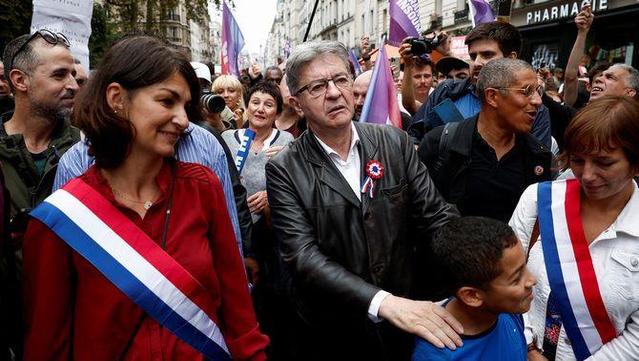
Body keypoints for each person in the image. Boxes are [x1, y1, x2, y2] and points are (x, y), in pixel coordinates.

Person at [23, 35, 269, 360]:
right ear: (117, 98)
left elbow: (240, 321)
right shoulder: (63, 217)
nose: (182, 120)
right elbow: (47, 346)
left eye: (186, 105)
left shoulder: (202, 189)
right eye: (167, 102)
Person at [266, 40, 462, 361]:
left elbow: (437, 216)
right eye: (317, 87)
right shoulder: (285, 167)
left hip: (405, 320)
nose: (333, 93)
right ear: (297, 103)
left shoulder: (393, 142)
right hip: (332, 329)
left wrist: (478, 266)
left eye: (341, 80)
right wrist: (382, 302)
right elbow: (303, 256)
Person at [509, 96, 639, 361]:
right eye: (578, 160)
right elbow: (500, 278)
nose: (588, 175)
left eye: (604, 162)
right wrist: (529, 349)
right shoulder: (539, 201)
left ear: (635, 164)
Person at [418, 58, 552, 223]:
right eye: (526, 91)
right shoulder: (440, 143)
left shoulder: (538, 156)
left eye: (538, 90)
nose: (537, 101)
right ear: (492, 96)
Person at [408, 21, 551, 149]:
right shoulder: (446, 91)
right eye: (473, 56)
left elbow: (537, 163)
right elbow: (414, 135)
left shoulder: (535, 111)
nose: (477, 63)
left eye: (487, 55)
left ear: (511, 59)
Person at [413, 217, 536, 361]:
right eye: (516, 279)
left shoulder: (509, 311)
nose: (532, 280)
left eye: (525, 266)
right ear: (472, 296)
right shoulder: (437, 356)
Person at [1, 30, 80, 250]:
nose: (73, 85)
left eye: (73, 74)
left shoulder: (86, 151)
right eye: (59, 75)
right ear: (20, 80)